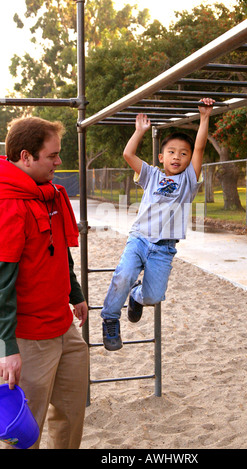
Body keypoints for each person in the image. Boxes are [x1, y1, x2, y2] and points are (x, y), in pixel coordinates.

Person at [0, 117, 89, 449]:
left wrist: (75, 292)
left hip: (63, 325)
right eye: (52, 155)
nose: (59, 161)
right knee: (25, 431)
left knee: (71, 413)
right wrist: (7, 349)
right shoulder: (9, 203)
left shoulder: (47, 195)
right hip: (30, 337)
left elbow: (58, 249)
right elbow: (2, 283)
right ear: (26, 157)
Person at [101, 98, 214, 351]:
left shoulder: (188, 180)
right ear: (162, 157)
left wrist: (204, 117)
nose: (178, 157)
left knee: (153, 296)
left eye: (183, 154)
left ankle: (136, 296)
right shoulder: (151, 174)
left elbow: (200, 149)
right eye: (172, 152)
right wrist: (139, 131)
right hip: (140, 238)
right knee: (124, 275)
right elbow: (128, 154)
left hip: (164, 248)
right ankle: (110, 318)